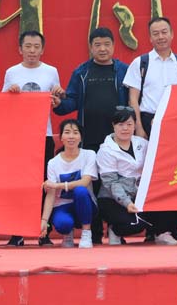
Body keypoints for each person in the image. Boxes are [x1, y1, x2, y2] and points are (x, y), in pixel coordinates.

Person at [54, 26, 129, 244]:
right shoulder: (82, 72)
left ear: (113, 46)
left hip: (117, 141)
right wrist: (59, 104)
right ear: (90, 47)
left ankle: (116, 228)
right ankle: (94, 232)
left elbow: (134, 99)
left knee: (116, 184)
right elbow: (71, 102)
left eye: (106, 44)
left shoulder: (123, 70)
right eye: (97, 45)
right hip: (89, 140)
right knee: (92, 186)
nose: (102, 49)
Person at [122, 17, 177, 241]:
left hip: (175, 123)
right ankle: (154, 228)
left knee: (175, 174)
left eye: (164, 32)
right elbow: (133, 98)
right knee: (151, 175)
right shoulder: (141, 62)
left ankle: (174, 226)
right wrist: (139, 127)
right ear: (150, 38)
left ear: (172, 34)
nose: (161, 37)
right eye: (156, 33)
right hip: (148, 122)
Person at [3, 30, 65, 246]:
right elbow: (4, 104)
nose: (32, 50)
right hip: (19, 135)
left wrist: (58, 98)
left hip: (44, 134)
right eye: (27, 46)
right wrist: (10, 93)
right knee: (20, 183)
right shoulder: (12, 72)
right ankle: (17, 232)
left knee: (44, 183)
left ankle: (43, 231)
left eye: (36, 46)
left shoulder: (51, 71)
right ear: (20, 49)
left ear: (42, 49)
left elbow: (56, 102)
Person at [96, 107, 177, 245]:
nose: (125, 128)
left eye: (129, 124)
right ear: (113, 125)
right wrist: (127, 203)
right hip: (113, 198)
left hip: (139, 195)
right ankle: (115, 230)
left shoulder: (142, 143)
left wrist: (157, 127)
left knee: (166, 194)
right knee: (135, 224)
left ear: (135, 125)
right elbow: (111, 183)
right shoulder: (105, 150)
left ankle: (161, 233)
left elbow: (161, 152)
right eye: (121, 124)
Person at [41, 120, 97, 249]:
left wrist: (58, 185)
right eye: (67, 132)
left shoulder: (89, 155)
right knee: (63, 224)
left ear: (81, 137)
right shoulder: (53, 163)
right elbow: (51, 194)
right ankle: (67, 234)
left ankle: (86, 233)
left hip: (85, 203)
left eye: (75, 133)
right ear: (61, 137)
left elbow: (85, 182)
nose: (71, 136)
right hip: (62, 205)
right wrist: (44, 220)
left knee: (80, 190)